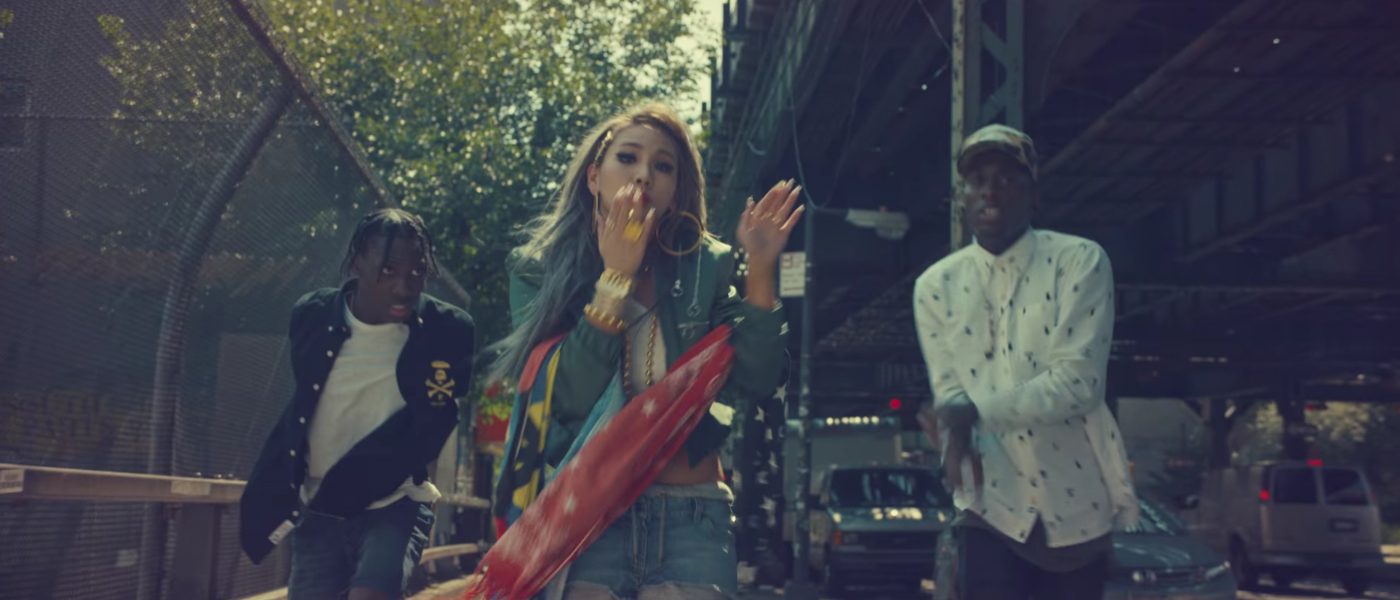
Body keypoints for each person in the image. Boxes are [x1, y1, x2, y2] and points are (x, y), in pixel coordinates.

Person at [488, 102, 801, 600]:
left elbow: (759, 378)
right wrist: (615, 278)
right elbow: (565, 400)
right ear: (594, 177)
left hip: (693, 516)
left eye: (663, 166)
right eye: (627, 158)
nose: (644, 175)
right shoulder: (538, 271)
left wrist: (761, 268)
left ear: (675, 191)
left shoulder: (708, 267)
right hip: (586, 519)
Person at [913, 124, 1138, 600]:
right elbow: (949, 391)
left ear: (1034, 194)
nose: (990, 190)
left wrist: (971, 413)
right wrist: (952, 436)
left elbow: (1079, 382)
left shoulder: (1080, 261)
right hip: (989, 504)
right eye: (977, 181)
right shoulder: (935, 286)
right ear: (961, 199)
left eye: (1006, 178)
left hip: (1075, 506)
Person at [239, 208, 476, 600]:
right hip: (320, 508)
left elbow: (437, 420)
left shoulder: (447, 330)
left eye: (416, 272)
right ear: (357, 264)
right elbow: (306, 402)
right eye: (388, 270)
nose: (403, 286)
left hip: (396, 502)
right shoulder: (313, 315)